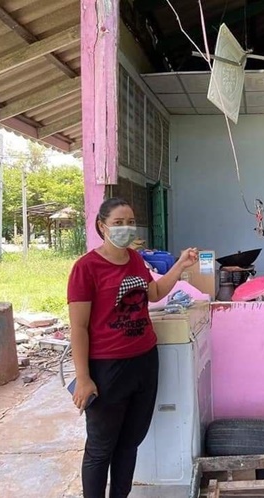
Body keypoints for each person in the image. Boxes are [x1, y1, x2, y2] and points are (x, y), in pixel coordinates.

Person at [67, 197, 199, 498]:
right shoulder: (86, 268)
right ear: (102, 226)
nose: (126, 228)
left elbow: (153, 293)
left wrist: (180, 264)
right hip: (107, 367)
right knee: (101, 447)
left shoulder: (136, 260)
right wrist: (84, 378)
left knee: (130, 442)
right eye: (118, 223)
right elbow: (78, 327)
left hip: (144, 361)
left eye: (130, 222)